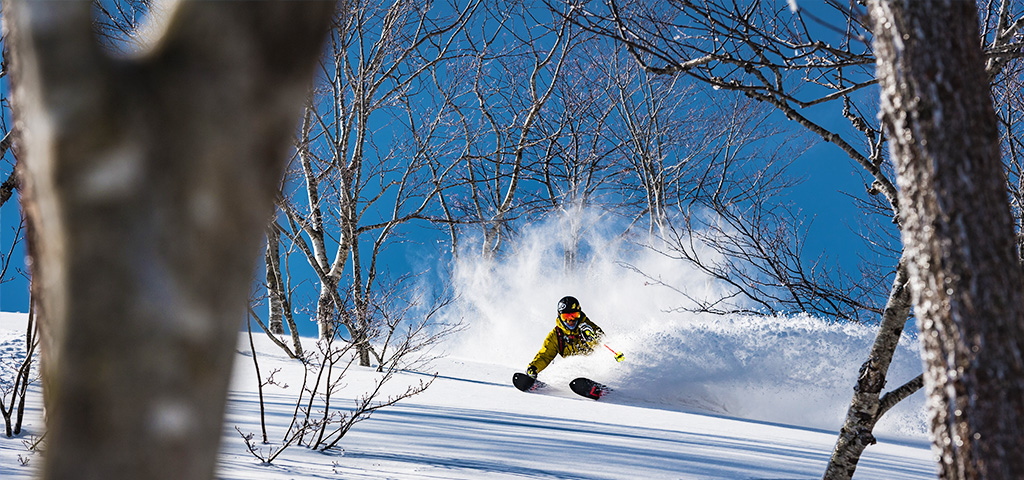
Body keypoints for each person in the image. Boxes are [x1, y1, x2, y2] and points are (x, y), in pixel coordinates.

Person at [525, 295, 604, 378]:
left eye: (574, 315)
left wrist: (591, 339)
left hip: (596, 371)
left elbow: (604, 348)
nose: (571, 320)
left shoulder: (589, 328)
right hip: (573, 373)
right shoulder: (556, 335)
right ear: (559, 316)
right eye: (566, 317)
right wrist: (534, 367)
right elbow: (545, 355)